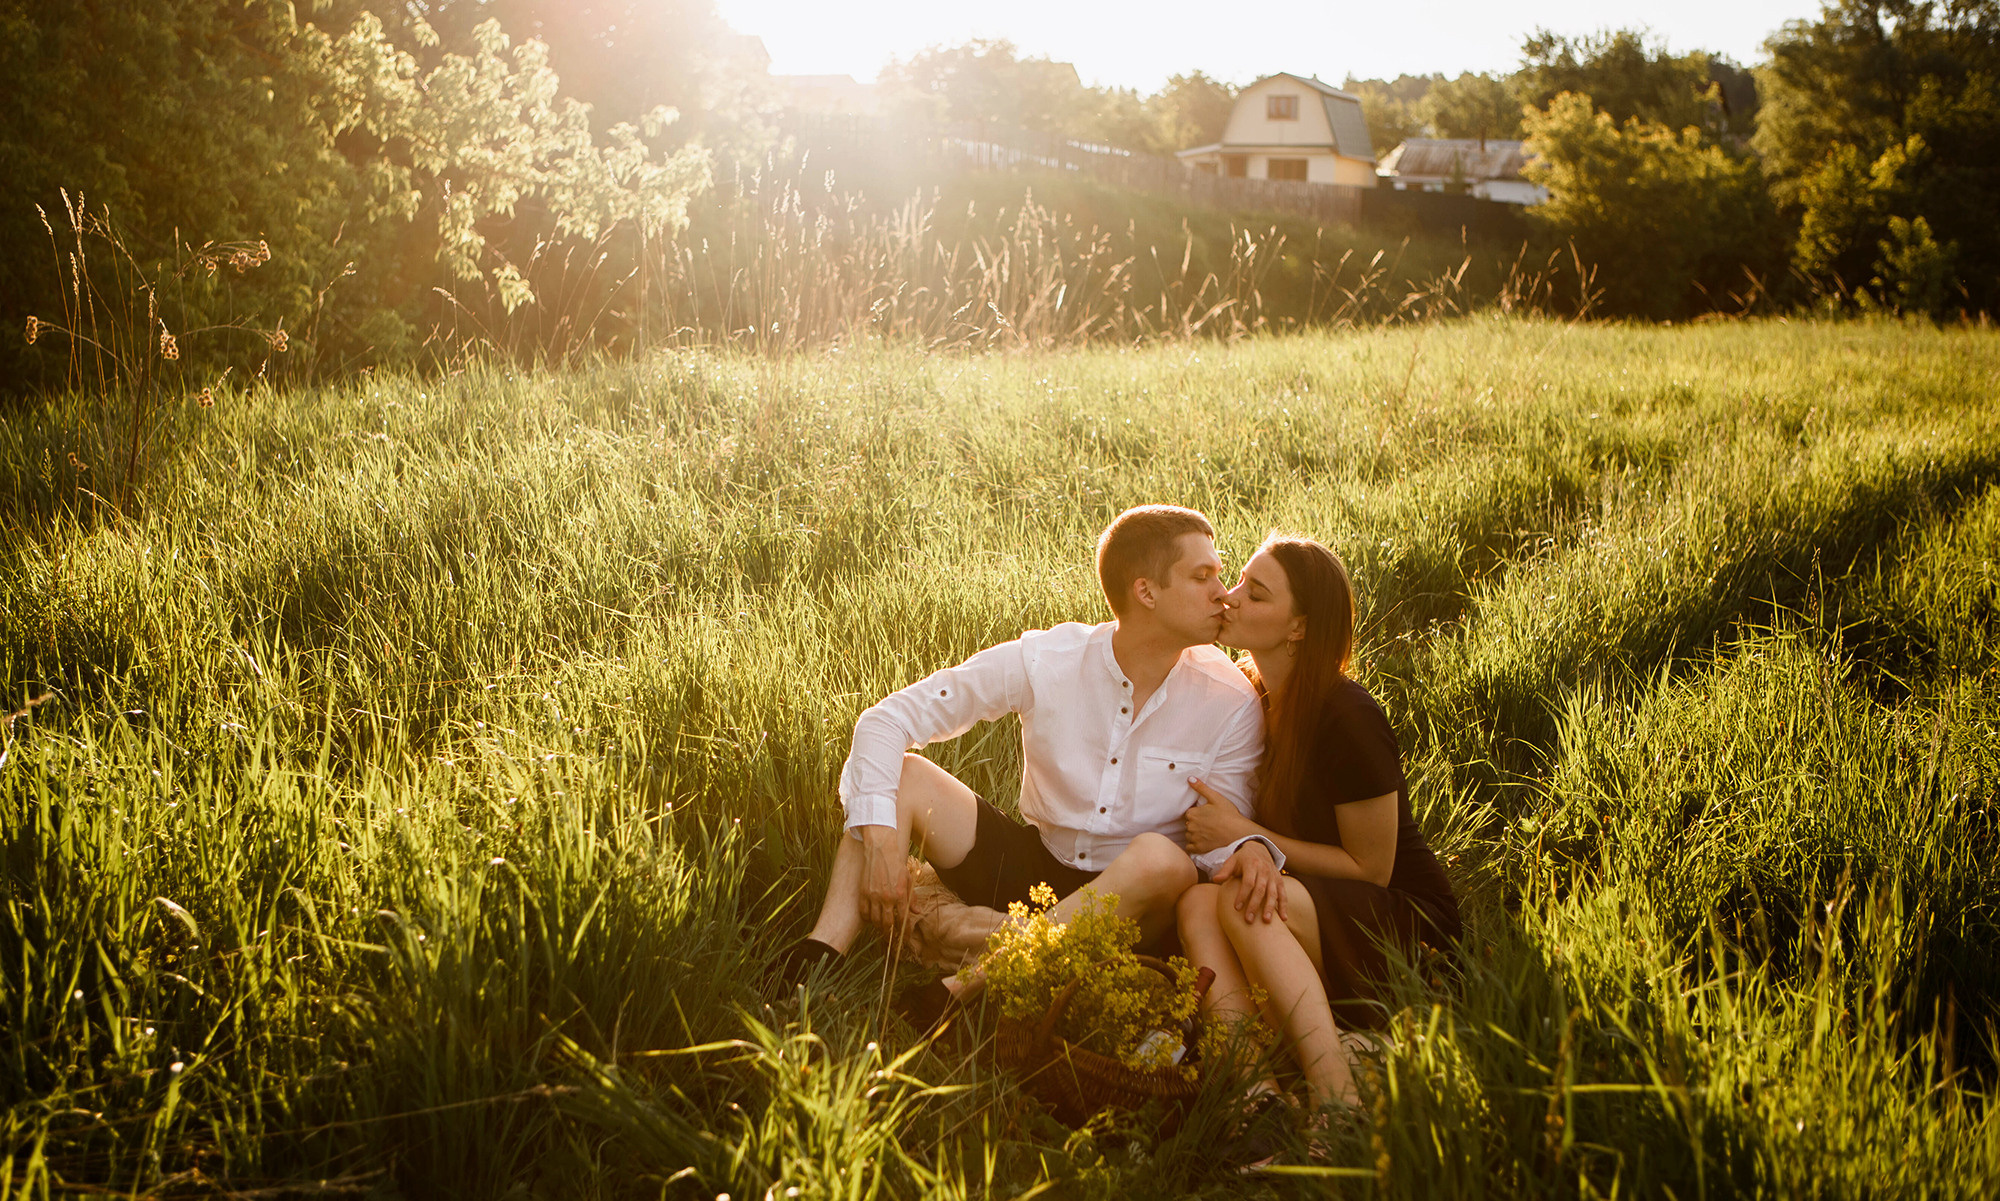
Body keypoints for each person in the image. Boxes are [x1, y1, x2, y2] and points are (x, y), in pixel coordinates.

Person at [778, 505, 1291, 1001]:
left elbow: (1223, 834)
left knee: (1165, 860)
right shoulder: (1049, 660)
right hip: (1033, 865)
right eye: (1203, 576)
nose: (1224, 595)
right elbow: (885, 720)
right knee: (901, 776)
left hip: (1133, 899)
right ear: (1146, 591)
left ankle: (963, 990)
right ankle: (817, 960)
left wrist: (1250, 847)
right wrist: (882, 842)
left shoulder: (1229, 701)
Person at [1176, 534, 1460, 1110]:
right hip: (1315, 903)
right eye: (1238, 584)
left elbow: (1371, 869)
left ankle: (1336, 1094)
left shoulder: (1346, 715)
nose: (1229, 599)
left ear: (1298, 627)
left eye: (1254, 595)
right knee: (1194, 904)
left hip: (1402, 923)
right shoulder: (1250, 699)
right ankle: (1254, 1090)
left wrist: (1246, 838)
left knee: (1238, 898)